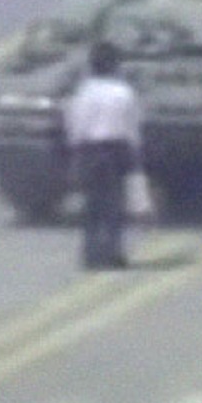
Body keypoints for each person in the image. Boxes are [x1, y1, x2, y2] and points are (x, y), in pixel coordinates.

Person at [65, 40, 143, 270]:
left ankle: (90, 254)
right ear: (115, 66)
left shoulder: (82, 92)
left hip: (87, 150)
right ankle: (112, 253)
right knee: (114, 205)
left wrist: (76, 154)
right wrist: (135, 157)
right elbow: (131, 127)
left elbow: (74, 125)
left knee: (91, 205)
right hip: (115, 150)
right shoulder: (124, 92)